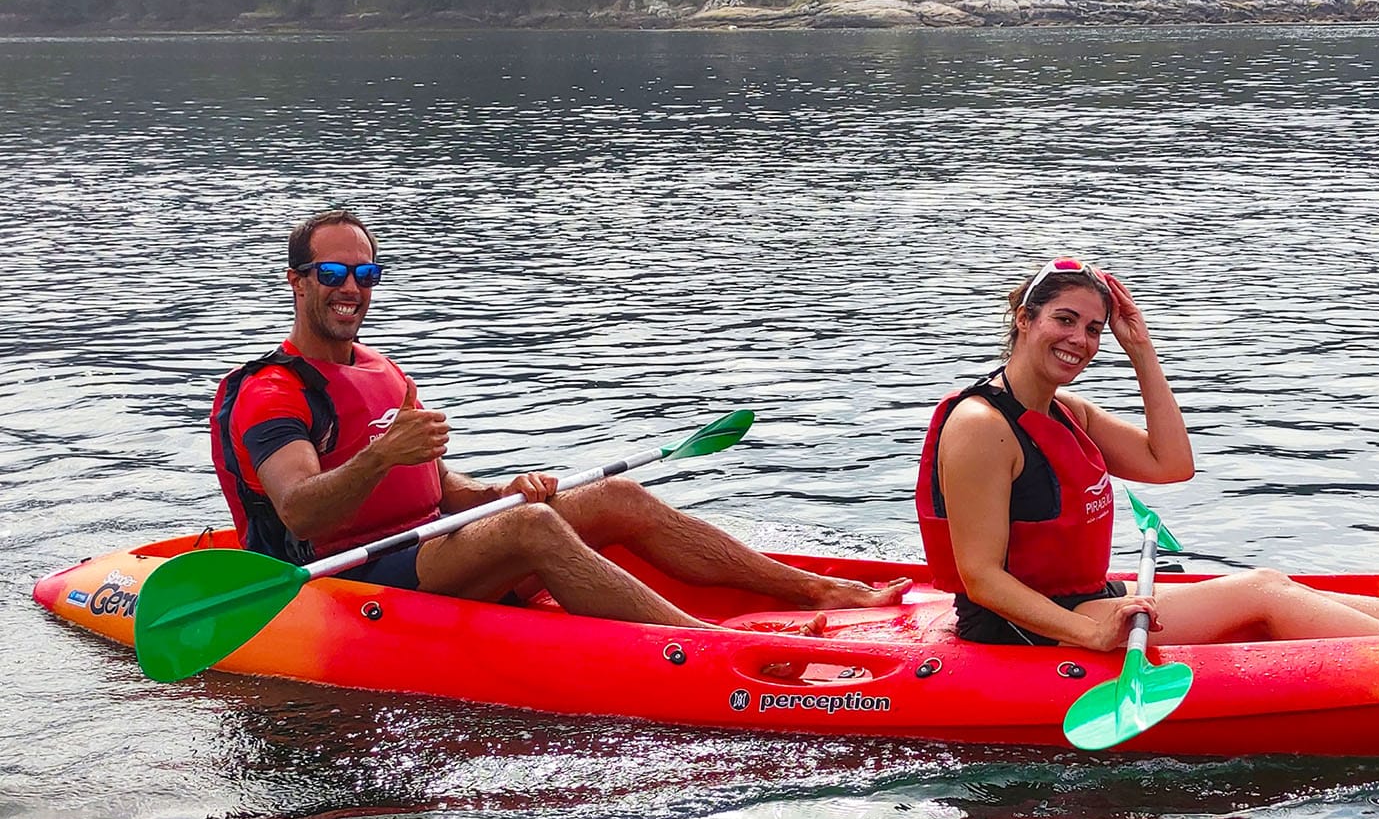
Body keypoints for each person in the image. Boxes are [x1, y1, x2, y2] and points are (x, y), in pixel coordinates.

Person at [212, 209, 908, 629]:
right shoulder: (273, 392)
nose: (351, 290)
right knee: (531, 527)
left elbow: (430, 484)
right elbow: (301, 512)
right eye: (333, 275)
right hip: (348, 580)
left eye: (366, 275)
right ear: (298, 280)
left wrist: (495, 493)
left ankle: (816, 587)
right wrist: (379, 457)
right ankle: (712, 647)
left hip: (428, 549)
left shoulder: (380, 368)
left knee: (614, 495)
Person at [915, 258, 1379, 650]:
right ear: (1024, 319)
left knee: (1270, 586)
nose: (1081, 340)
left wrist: (1143, 352)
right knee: (1260, 597)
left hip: (1085, 594)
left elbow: (1170, 464)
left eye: (1094, 329)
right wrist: (1087, 631)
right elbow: (980, 578)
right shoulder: (980, 424)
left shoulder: (1067, 412)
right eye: (1064, 320)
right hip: (1027, 626)